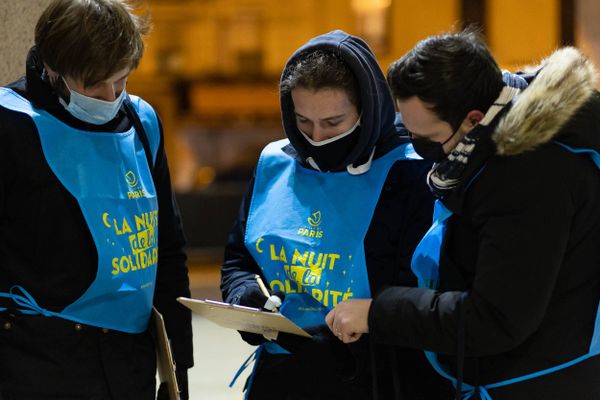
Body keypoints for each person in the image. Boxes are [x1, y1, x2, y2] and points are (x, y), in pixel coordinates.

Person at [326, 29, 600, 400]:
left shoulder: (528, 173)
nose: (420, 148)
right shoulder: (494, 138)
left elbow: (495, 318)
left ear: (472, 120)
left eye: (429, 137)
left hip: (539, 382)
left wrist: (378, 313)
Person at [220, 30, 453, 400]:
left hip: (374, 378)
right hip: (282, 377)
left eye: (333, 123)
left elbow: (420, 295)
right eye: (303, 122)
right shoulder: (274, 163)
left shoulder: (410, 170)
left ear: (368, 108)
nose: (316, 137)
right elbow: (239, 258)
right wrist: (243, 295)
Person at [0, 1, 192, 399]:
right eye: (93, 85)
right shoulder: (11, 122)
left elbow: (168, 248)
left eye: (120, 82)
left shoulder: (141, 121)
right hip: (37, 359)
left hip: (128, 360)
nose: (109, 97)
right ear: (52, 69)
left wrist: (179, 364)